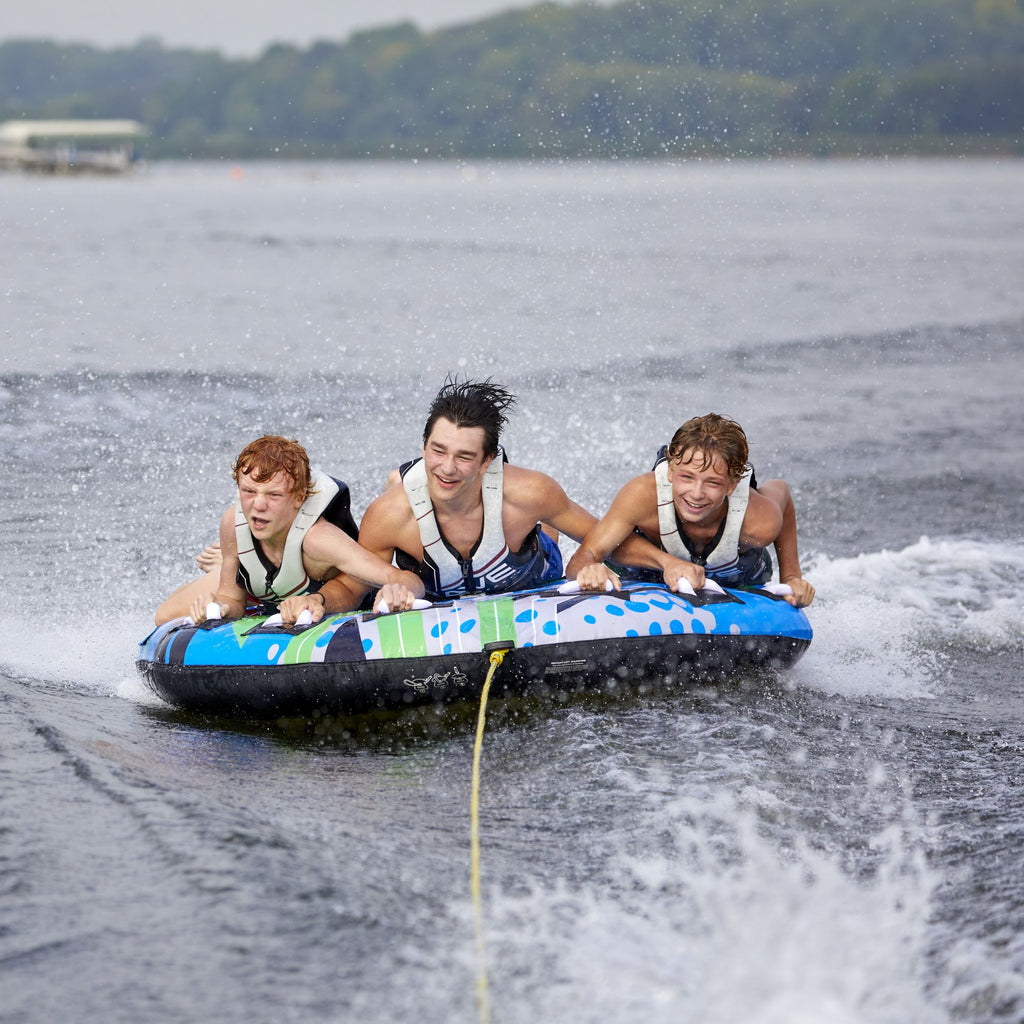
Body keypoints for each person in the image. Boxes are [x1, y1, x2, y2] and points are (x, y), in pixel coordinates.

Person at [316, 376, 645, 608]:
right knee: (401, 495)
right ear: (423, 447)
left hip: (530, 574)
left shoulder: (531, 492)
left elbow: (607, 538)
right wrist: (317, 602)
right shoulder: (388, 515)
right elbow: (351, 587)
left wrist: (591, 564)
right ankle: (400, 480)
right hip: (432, 582)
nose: (447, 467)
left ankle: (545, 526)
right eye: (438, 450)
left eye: (464, 457)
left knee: (536, 518)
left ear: (487, 461)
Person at [154, 435, 424, 625]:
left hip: (312, 583)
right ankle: (227, 564)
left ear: (298, 498)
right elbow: (232, 599)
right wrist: (219, 606)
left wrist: (398, 591)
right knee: (164, 617)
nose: (258, 506)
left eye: (273, 495)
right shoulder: (232, 524)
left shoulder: (319, 540)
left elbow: (401, 578)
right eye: (248, 491)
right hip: (265, 587)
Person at [564, 413, 816, 607]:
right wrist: (590, 570)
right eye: (687, 477)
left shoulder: (759, 522)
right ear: (671, 471)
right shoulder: (641, 496)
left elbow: (782, 492)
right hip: (650, 571)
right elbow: (582, 558)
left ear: (731, 485)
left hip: (736, 574)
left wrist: (791, 576)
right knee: (619, 549)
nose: (696, 494)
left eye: (713, 483)